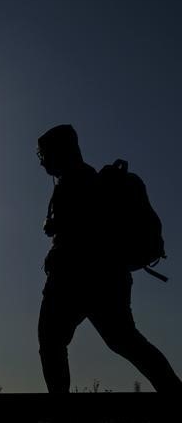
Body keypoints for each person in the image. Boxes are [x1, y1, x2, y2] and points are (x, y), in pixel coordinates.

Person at [36, 124, 181, 393]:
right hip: (107, 278)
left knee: (52, 340)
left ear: (61, 151)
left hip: (76, 278)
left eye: (44, 153)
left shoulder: (78, 182)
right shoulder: (85, 180)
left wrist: (58, 228)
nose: (42, 161)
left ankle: (61, 412)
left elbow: (83, 231)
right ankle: (173, 391)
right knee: (125, 341)